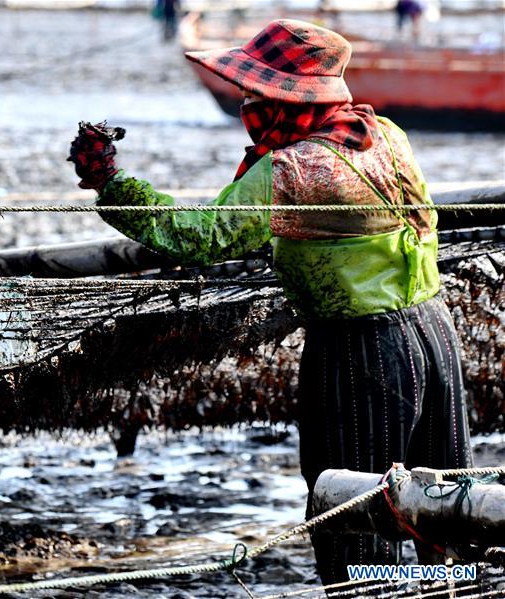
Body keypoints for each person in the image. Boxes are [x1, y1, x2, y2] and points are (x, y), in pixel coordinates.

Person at [68, 20, 472, 584]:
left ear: (286, 100)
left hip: (363, 352)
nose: (249, 105)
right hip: (434, 335)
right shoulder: (385, 133)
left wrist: (110, 183)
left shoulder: (293, 170)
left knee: (353, 516)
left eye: (257, 95)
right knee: (447, 513)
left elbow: (196, 236)